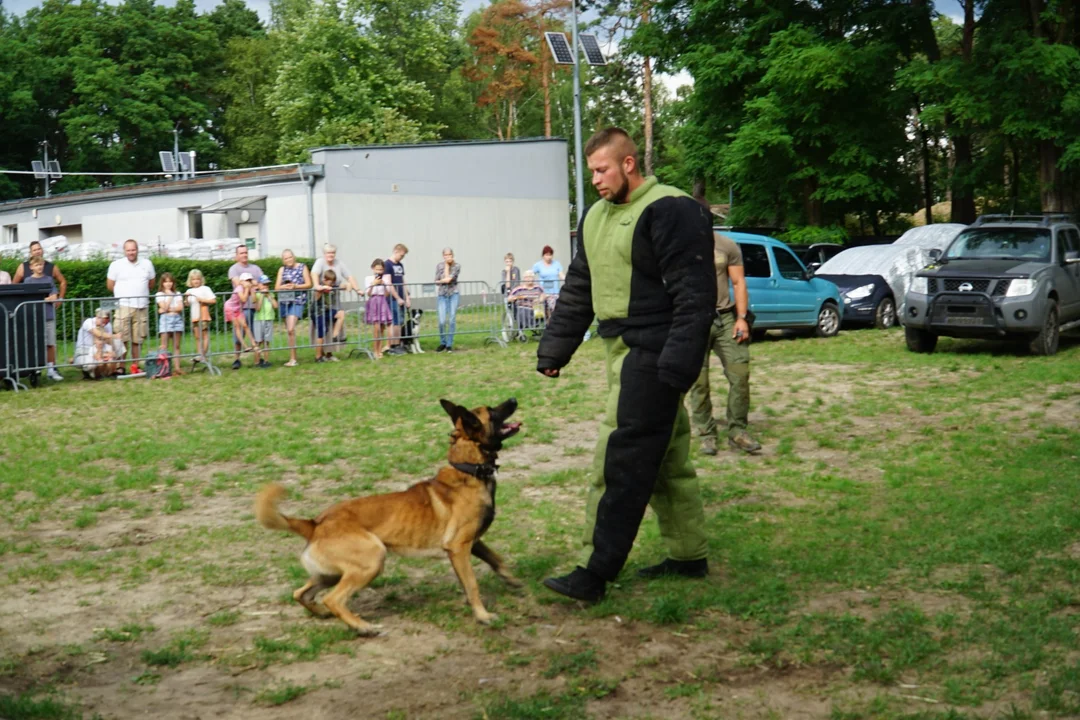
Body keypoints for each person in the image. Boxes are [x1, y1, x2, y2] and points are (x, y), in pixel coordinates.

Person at [536, 127, 717, 603]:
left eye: (602, 170)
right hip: (619, 348)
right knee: (667, 459)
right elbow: (579, 288)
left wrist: (678, 367)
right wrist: (555, 350)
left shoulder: (672, 208)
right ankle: (688, 556)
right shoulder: (595, 217)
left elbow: (694, 294)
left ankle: (594, 573)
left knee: (618, 457)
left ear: (629, 164)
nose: (595, 179)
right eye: (591, 170)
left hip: (657, 353)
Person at [687, 232, 762, 455]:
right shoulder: (679, 243)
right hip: (693, 319)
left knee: (740, 374)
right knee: (698, 381)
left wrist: (741, 318)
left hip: (726, 318)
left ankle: (738, 431)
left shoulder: (726, 245)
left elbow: (738, 282)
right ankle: (706, 434)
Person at [106, 239, 155, 371]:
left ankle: (135, 366)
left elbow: (151, 283)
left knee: (138, 339)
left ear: (137, 250)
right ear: (124, 251)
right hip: (123, 306)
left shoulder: (147, 264)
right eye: (128, 250)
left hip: (141, 306)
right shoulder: (116, 265)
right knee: (122, 338)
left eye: (133, 250)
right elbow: (110, 285)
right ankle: (121, 366)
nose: (131, 252)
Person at [24, 256, 63, 381]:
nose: (39, 267)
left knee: (50, 343)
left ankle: (51, 369)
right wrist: (45, 299)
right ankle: (35, 369)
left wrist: (45, 299)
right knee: (35, 343)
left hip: (48, 315)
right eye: (36, 265)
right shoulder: (28, 281)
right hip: (34, 317)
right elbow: (28, 298)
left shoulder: (49, 279)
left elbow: (54, 296)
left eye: (41, 265)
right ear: (31, 267)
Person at [227, 245, 263, 370]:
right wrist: (252, 284)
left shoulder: (256, 268)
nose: (244, 255)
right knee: (239, 333)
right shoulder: (234, 269)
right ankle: (237, 359)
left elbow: (261, 283)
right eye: (241, 253)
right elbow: (238, 283)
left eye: (246, 252)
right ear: (237, 255)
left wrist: (252, 284)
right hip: (240, 307)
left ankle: (258, 359)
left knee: (256, 333)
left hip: (255, 305)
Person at [274, 249, 312, 367]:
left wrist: (295, 286)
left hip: (298, 300)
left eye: (290, 257)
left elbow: (309, 284)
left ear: (293, 257)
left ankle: (293, 359)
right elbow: (276, 287)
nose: (288, 260)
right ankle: (292, 358)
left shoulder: (302, 267)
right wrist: (284, 286)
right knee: (290, 332)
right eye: (286, 258)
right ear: (283, 260)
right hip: (285, 301)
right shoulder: (282, 269)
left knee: (291, 328)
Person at [75, 308, 124, 379]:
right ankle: (88, 371)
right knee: (92, 364)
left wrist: (112, 351)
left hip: (100, 347)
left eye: (107, 320)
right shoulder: (88, 322)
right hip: (84, 351)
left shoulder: (108, 325)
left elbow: (109, 340)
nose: (105, 324)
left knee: (118, 343)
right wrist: (115, 336)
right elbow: (98, 334)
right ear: (97, 317)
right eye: (103, 321)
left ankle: (114, 370)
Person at [224, 272, 259, 367]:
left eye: (250, 280)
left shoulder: (249, 288)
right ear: (242, 281)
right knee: (237, 327)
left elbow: (254, 300)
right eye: (247, 281)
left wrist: (253, 290)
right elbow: (243, 299)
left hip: (238, 309)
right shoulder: (239, 288)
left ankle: (253, 343)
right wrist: (247, 289)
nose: (248, 282)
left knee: (245, 325)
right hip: (230, 308)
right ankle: (245, 346)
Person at [154, 272, 185, 375]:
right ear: (162, 283)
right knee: (164, 346)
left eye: (170, 281)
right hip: (166, 320)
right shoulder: (159, 295)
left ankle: (177, 368)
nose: (168, 284)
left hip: (177, 319)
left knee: (176, 346)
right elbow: (164, 307)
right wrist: (170, 296)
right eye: (166, 282)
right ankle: (164, 369)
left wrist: (168, 309)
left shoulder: (178, 293)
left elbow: (180, 308)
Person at [184, 269, 216, 363]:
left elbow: (213, 300)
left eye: (198, 279)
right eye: (193, 279)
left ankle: (203, 355)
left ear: (201, 279)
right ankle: (199, 355)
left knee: (205, 335)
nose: (196, 281)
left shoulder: (205, 289)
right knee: (197, 337)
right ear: (190, 280)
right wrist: (185, 297)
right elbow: (186, 304)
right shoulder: (189, 290)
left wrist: (202, 300)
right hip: (194, 316)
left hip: (203, 315)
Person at [383, 243, 410, 355]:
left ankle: (398, 344)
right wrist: (397, 298)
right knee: (395, 322)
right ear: (395, 251)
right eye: (401, 255)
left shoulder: (400, 265)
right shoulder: (387, 265)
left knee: (400, 322)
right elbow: (389, 284)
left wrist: (407, 296)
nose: (402, 258)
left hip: (402, 298)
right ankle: (392, 346)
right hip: (393, 299)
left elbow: (403, 281)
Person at [313, 269, 345, 362]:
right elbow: (316, 296)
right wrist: (323, 288)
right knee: (321, 332)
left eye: (332, 282)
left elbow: (343, 285)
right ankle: (318, 356)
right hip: (317, 312)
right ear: (324, 280)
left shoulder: (333, 286)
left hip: (326, 311)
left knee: (341, 314)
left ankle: (335, 336)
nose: (330, 284)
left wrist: (346, 285)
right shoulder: (319, 287)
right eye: (329, 282)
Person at [364, 259, 393, 358]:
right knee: (376, 327)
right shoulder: (368, 278)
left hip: (382, 301)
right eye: (377, 269)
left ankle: (379, 350)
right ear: (373, 268)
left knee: (382, 328)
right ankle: (375, 350)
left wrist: (384, 284)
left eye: (381, 269)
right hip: (373, 301)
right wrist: (373, 284)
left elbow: (387, 294)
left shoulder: (386, 279)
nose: (379, 272)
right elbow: (368, 293)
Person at [434, 247, 461, 353]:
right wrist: (442, 280)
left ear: (452, 255)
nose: (447, 257)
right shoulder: (439, 266)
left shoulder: (456, 266)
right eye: (445, 255)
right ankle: (443, 342)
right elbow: (436, 280)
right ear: (443, 256)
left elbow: (449, 279)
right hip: (442, 295)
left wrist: (446, 268)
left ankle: (449, 344)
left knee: (451, 318)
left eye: (449, 255)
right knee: (441, 320)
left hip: (453, 294)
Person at [252, 274, 278, 368]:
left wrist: (269, 296)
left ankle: (266, 361)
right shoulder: (257, 295)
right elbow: (258, 308)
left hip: (269, 319)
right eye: (263, 284)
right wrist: (262, 295)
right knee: (258, 341)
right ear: (259, 285)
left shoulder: (270, 294)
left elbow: (276, 306)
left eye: (267, 285)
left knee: (267, 341)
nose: (265, 287)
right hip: (259, 320)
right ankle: (257, 361)